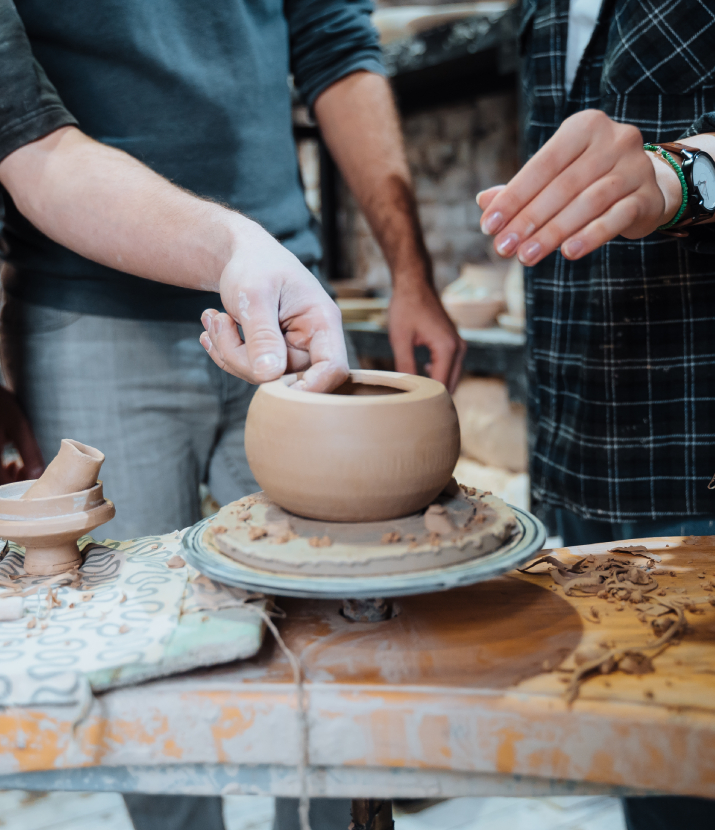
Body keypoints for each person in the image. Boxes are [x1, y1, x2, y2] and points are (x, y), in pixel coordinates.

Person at [0, 1, 463, 829]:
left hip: (288, 289)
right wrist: (231, 247)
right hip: (90, 301)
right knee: (137, 665)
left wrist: (410, 274)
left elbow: (335, 43)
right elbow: (25, 140)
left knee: (335, 642)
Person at [478, 1, 715, 827]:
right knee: (651, 780)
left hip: (698, 452)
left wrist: (677, 175)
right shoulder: (539, 10)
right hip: (587, 451)